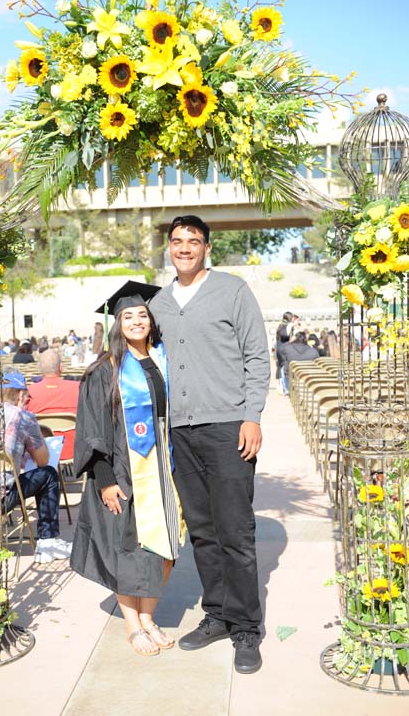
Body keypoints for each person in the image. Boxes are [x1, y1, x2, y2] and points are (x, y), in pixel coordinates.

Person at [150, 215, 270, 675]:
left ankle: (246, 628)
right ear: (169, 247)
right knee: (201, 529)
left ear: (206, 247)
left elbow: (258, 355)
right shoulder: (158, 303)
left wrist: (252, 416)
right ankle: (217, 613)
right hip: (179, 431)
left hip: (227, 427)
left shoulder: (232, 291)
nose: (184, 248)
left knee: (235, 531)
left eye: (193, 241)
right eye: (177, 241)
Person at [71, 281, 184, 657]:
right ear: (117, 324)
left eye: (143, 315)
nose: (137, 321)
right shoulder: (105, 369)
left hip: (164, 469)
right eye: (128, 316)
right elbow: (93, 427)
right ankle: (133, 624)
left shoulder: (165, 360)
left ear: (152, 321)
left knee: (167, 545)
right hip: (125, 469)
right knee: (130, 548)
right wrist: (104, 479)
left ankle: (149, 616)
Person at [0, 372, 72, 564]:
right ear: (19, 395)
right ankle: (48, 541)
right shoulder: (23, 417)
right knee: (48, 475)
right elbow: (42, 461)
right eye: (27, 396)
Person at [25, 349, 80, 461]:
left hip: (39, 453)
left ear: (40, 369)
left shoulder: (28, 392)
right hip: (74, 451)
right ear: (61, 367)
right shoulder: (78, 388)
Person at [277, 331, 319, 395]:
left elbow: (279, 350)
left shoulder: (287, 348)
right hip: (308, 378)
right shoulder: (313, 351)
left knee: (283, 366)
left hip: (291, 377)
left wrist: (289, 342)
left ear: (295, 339)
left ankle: (286, 390)